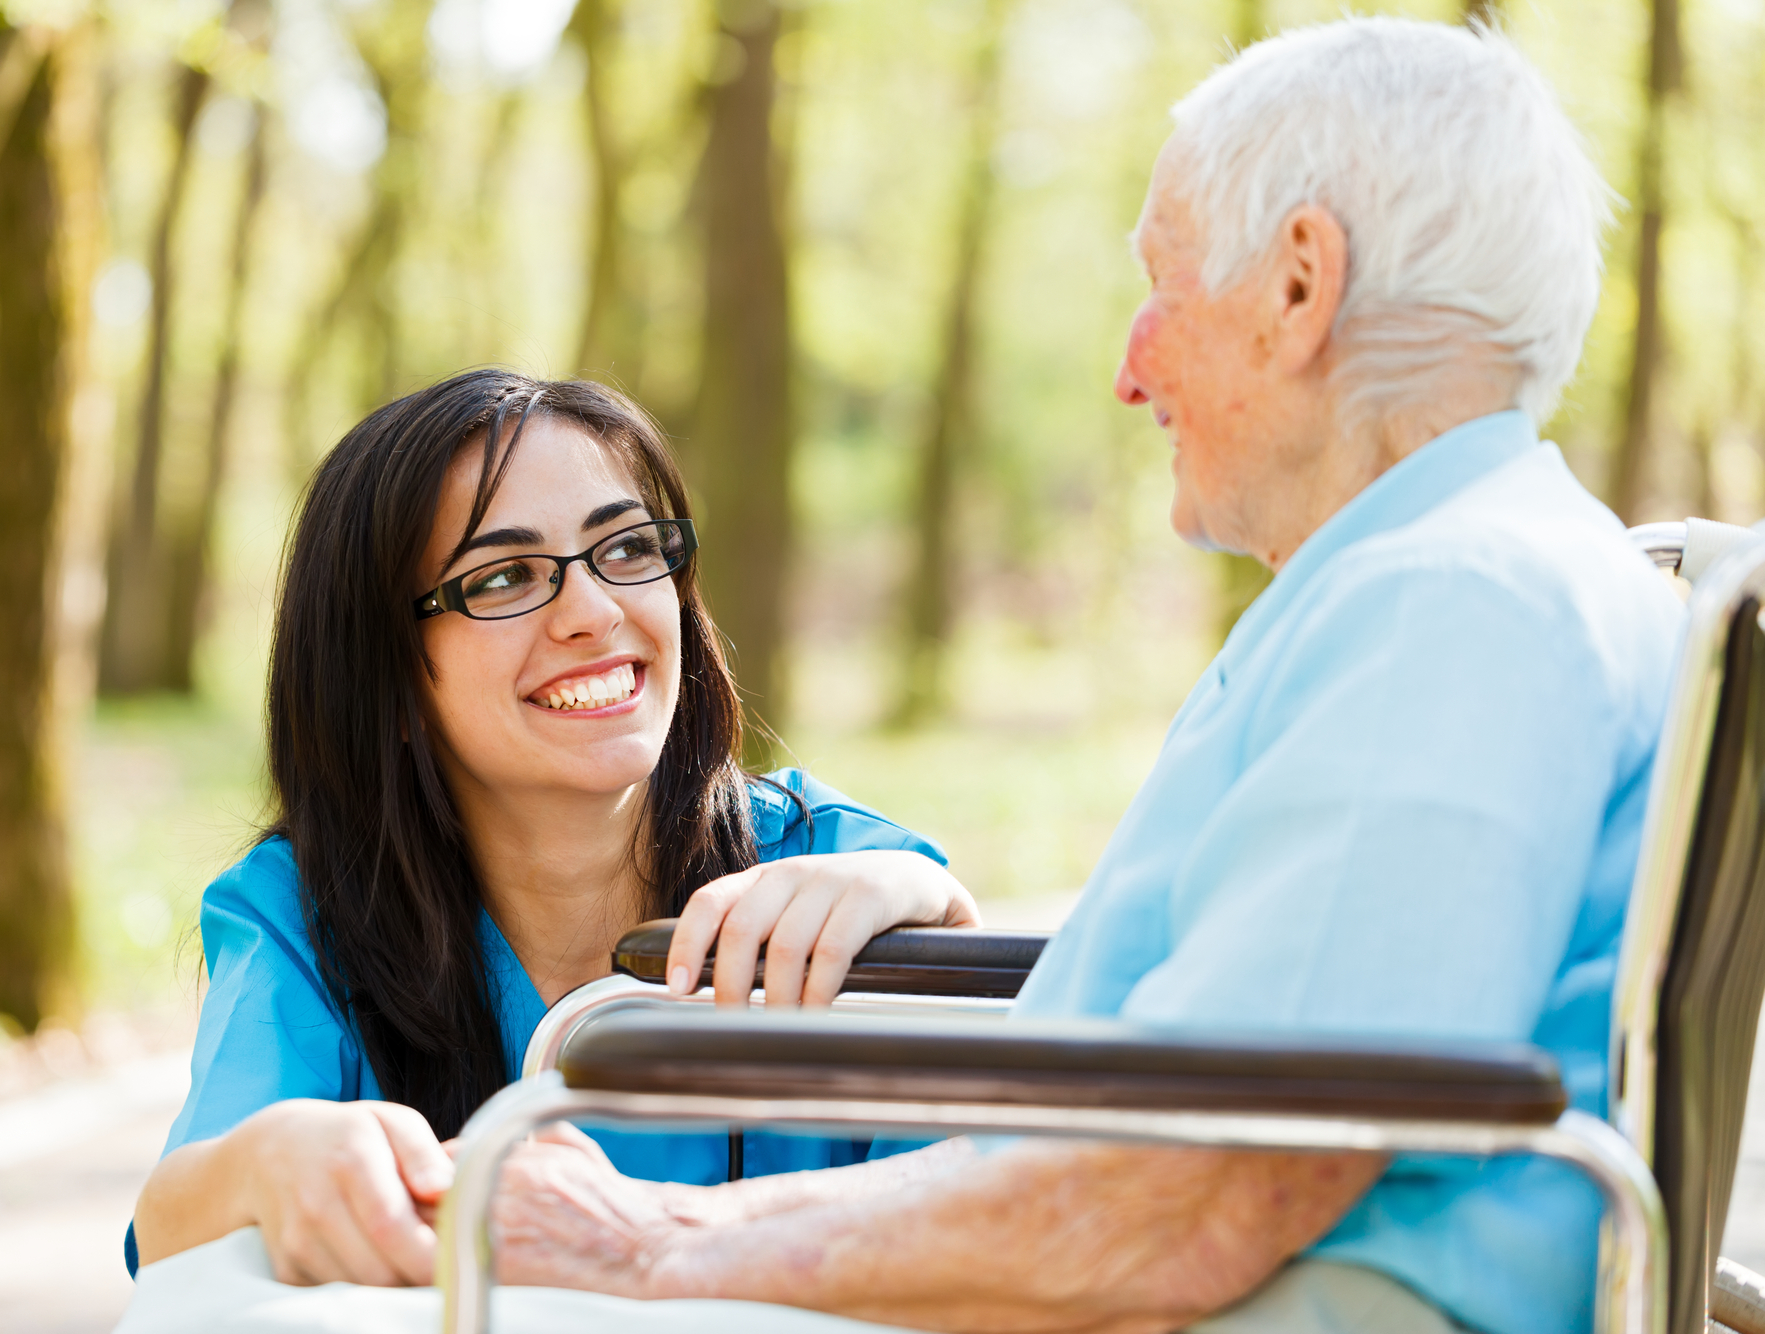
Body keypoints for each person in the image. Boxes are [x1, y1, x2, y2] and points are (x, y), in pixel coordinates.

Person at [486, 18, 1685, 1334]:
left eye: (1164, 287)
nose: (1131, 367)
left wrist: (651, 1243)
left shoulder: (1453, 607)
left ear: (1298, 288)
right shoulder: (1445, 580)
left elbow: (1201, 1188)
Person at [125, 371, 979, 1286]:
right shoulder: (310, 914)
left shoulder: (834, 867)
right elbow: (174, 1222)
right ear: (390, 681)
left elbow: (1020, 1187)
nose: (595, 612)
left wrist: (936, 909)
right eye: (502, 577)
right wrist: (269, 1162)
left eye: (626, 548)